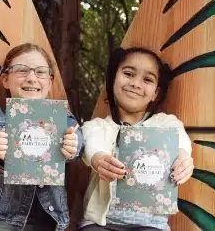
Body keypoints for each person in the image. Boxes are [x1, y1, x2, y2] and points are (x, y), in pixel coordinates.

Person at [80, 47, 194, 231]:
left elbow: (180, 142)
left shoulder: (166, 123)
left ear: (156, 92)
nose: (136, 83)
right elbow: (93, 145)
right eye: (128, 74)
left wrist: (184, 159)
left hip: (152, 225)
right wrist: (99, 159)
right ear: (114, 78)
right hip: (100, 224)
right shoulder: (97, 126)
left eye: (147, 79)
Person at [0, 43, 84, 230]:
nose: (32, 78)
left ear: (49, 81)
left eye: (40, 72)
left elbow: (78, 139)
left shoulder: (62, 118)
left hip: (49, 219)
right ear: (5, 79)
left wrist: (73, 145)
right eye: (22, 71)